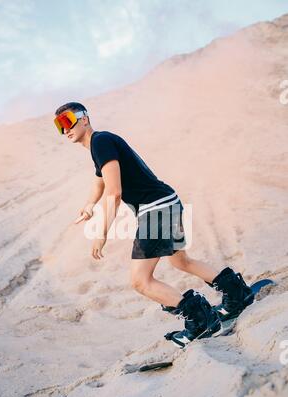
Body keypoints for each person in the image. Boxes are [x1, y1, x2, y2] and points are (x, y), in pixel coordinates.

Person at [53, 102, 254, 348]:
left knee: (140, 281)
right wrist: (88, 206)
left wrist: (101, 233)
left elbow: (114, 193)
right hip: (167, 202)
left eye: (67, 121)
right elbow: (100, 183)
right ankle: (237, 293)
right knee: (181, 261)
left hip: (156, 209)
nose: (65, 130)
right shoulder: (100, 145)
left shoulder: (100, 141)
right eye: (59, 126)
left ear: (84, 118)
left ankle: (202, 322)